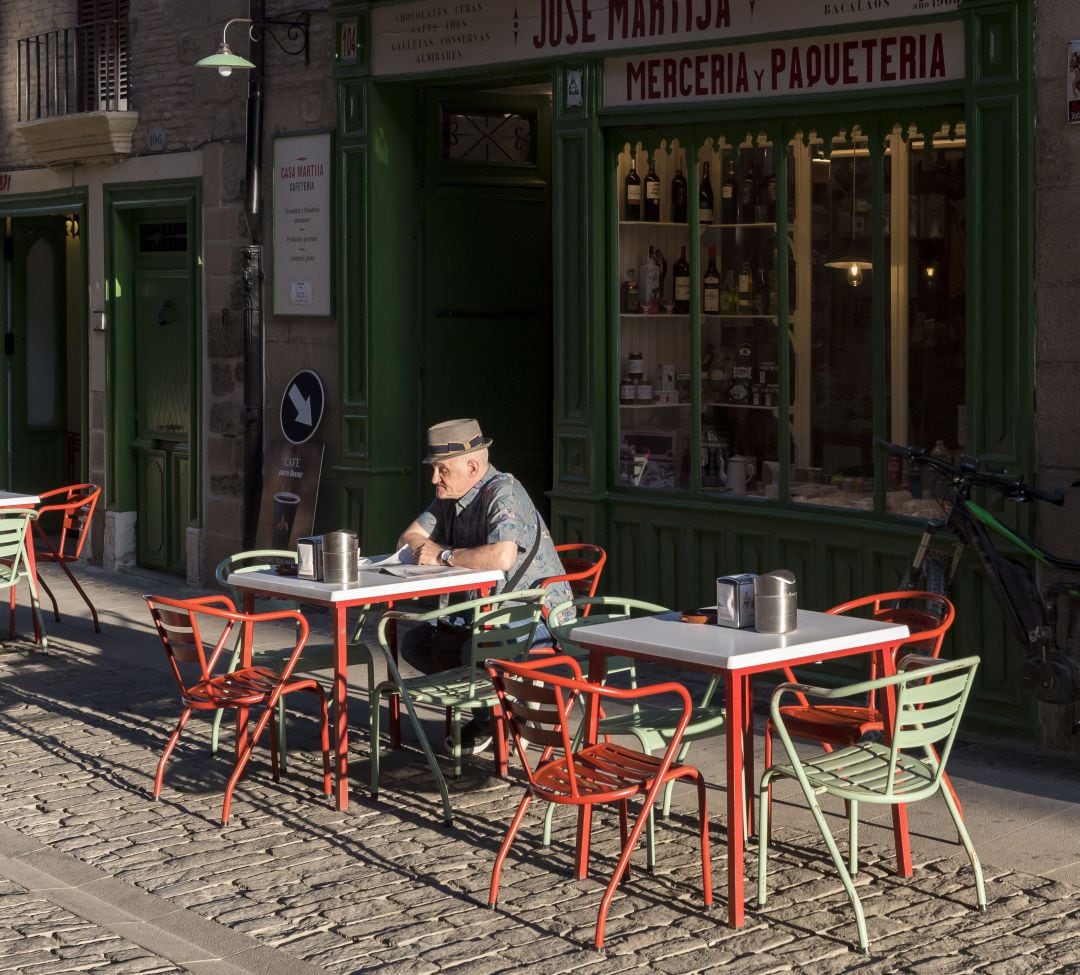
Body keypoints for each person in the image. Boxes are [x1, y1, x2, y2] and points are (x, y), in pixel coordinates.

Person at [397, 418, 572, 754]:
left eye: (442, 470)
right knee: (416, 644)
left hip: (537, 615)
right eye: (434, 470)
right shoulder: (450, 494)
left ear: (473, 465)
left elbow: (502, 556)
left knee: (470, 650)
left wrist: (443, 554)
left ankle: (487, 721)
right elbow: (409, 537)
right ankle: (498, 712)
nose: (435, 479)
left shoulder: (503, 491)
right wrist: (428, 551)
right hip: (484, 611)